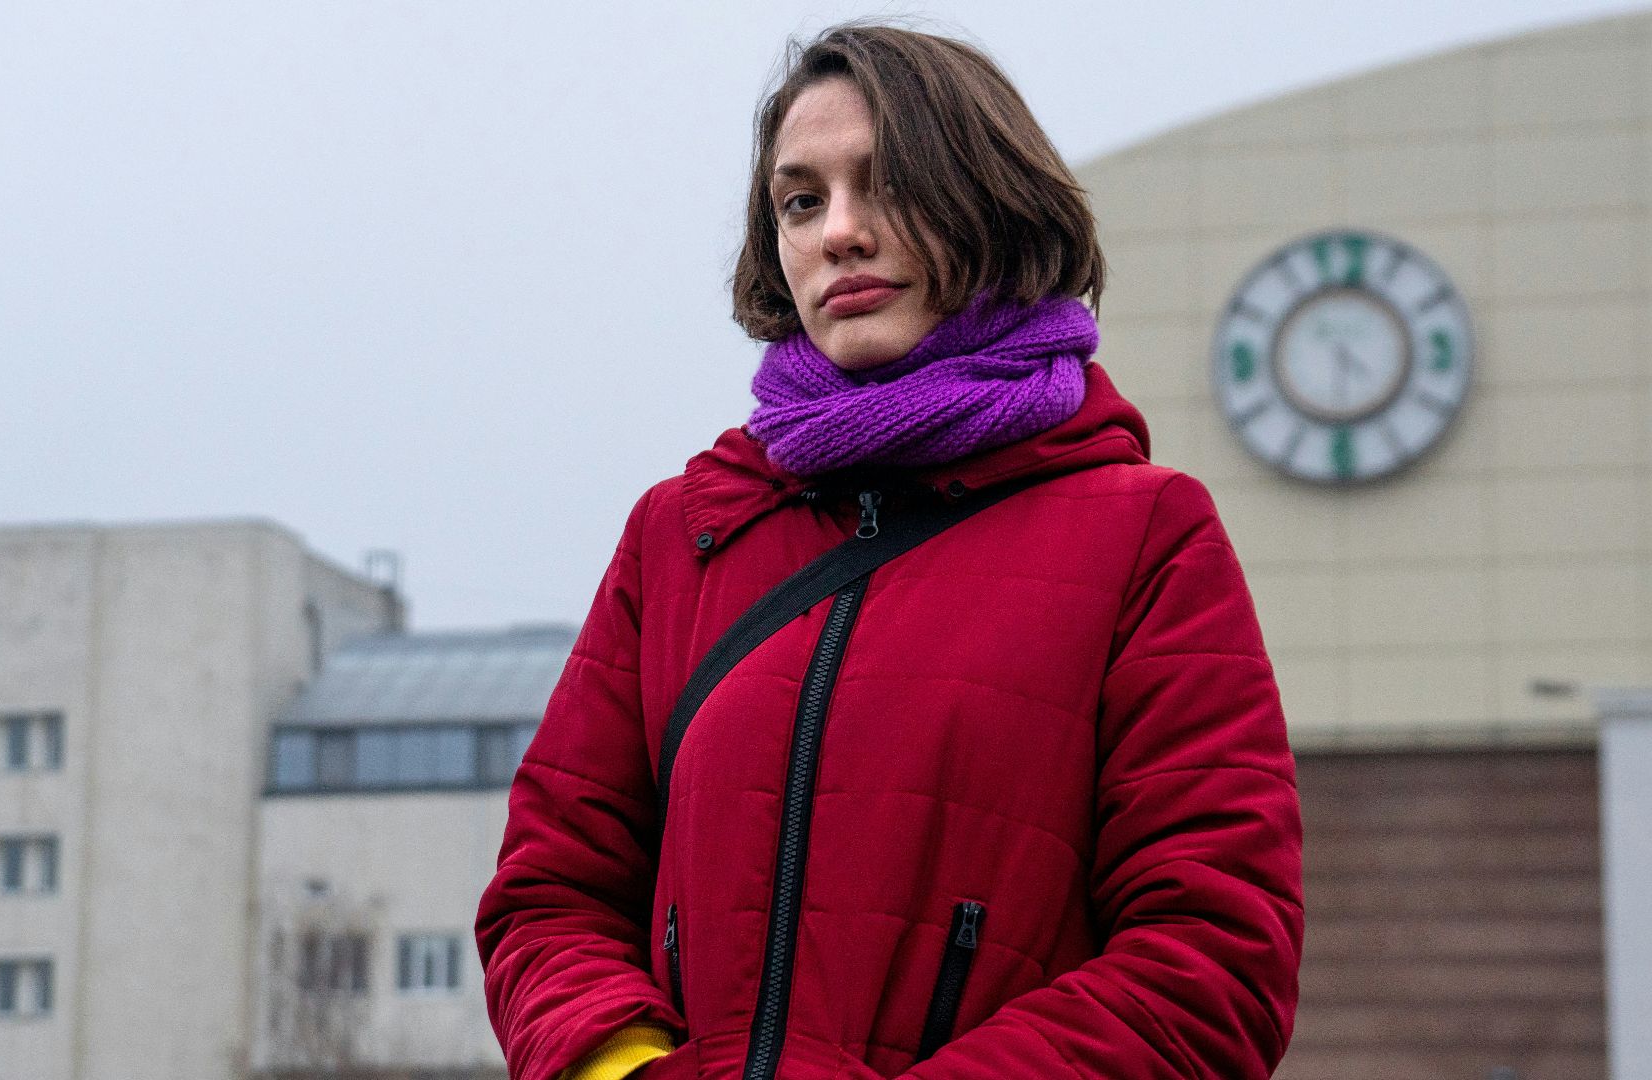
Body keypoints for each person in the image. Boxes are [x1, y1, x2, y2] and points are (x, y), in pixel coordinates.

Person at [476, 22, 1302, 1080]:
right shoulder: (677, 536)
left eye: (889, 185)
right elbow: (550, 896)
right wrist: (623, 1067)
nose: (840, 233)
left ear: (992, 203)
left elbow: (1212, 961)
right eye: (800, 201)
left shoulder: (1145, 532)